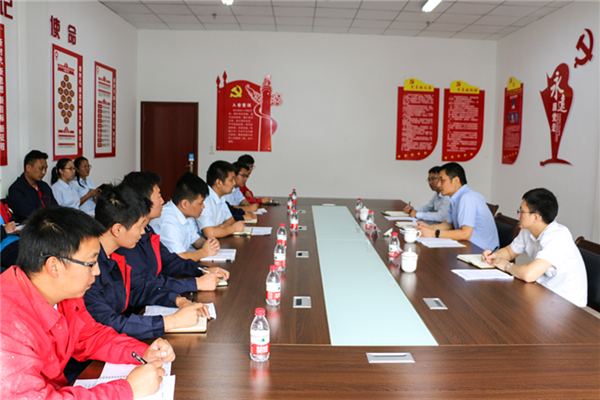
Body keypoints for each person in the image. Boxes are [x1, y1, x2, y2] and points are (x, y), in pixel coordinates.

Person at [0, 207, 174, 399]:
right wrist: (128, 389)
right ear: (54, 266)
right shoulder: (7, 326)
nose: (97, 271)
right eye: (90, 263)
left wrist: (141, 352)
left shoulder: (64, 293)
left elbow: (89, 335)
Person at [84, 184, 210, 340]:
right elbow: (107, 322)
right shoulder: (87, 266)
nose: (143, 232)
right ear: (117, 230)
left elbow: (140, 288)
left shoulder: (112, 254)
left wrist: (179, 301)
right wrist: (172, 321)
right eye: (139, 226)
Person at [120, 171, 228, 294]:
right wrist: (196, 283)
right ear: (142, 201)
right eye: (158, 196)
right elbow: (146, 283)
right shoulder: (128, 240)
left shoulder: (148, 230)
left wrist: (203, 270)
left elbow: (171, 261)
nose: (162, 201)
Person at [481, 188, 587, 307]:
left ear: (536, 217)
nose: (518, 215)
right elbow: (509, 252)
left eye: (522, 211)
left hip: (567, 303)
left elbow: (529, 274)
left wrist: (507, 266)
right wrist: (494, 256)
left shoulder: (558, 237)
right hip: (543, 292)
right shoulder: (528, 230)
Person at [417, 162, 499, 250]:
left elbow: (465, 234)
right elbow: (450, 224)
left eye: (442, 180)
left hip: (482, 251)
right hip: (468, 246)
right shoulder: (455, 198)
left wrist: (434, 233)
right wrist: (429, 227)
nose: (438, 185)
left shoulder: (467, 198)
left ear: (456, 181)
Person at [197, 161, 246, 238]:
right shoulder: (205, 200)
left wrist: (219, 229)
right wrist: (233, 228)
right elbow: (210, 233)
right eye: (231, 180)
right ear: (218, 183)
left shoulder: (221, 197)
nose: (234, 183)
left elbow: (230, 219)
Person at [7, 150, 58, 223]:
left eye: (45, 169)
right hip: (32, 226)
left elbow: (55, 207)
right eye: (41, 168)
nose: (44, 172)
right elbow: (30, 214)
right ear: (28, 168)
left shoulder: (44, 186)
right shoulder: (16, 190)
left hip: (49, 223)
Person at [1, 201, 19, 272]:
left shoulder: (1, 205)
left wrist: (16, 227)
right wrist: (4, 230)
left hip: (18, 240)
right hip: (4, 249)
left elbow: (12, 218)